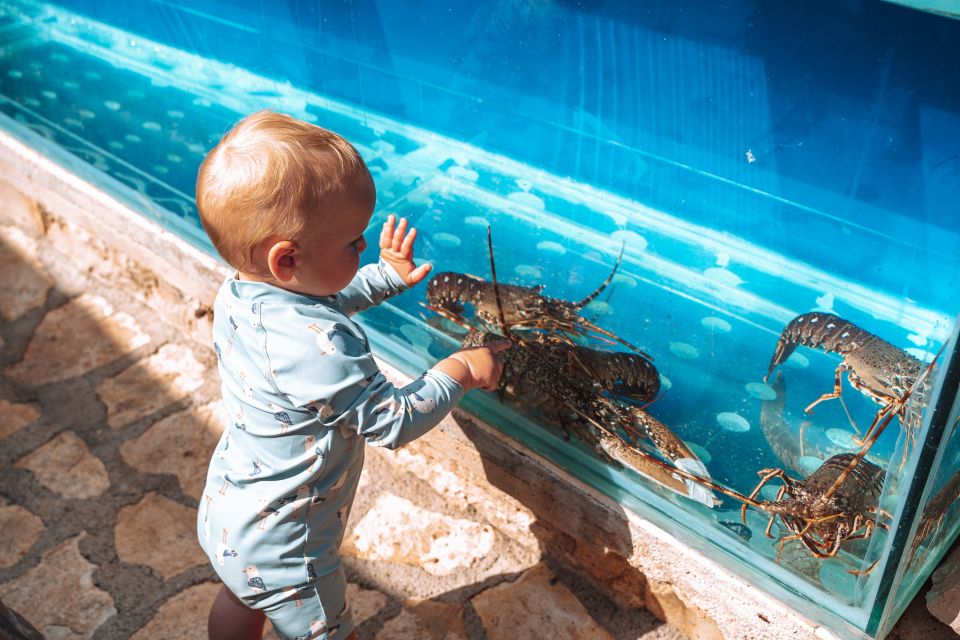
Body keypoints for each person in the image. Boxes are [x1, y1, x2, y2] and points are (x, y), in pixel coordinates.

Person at [194, 110, 508, 640]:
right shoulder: (323, 351)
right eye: (352, 243)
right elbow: (393, 421)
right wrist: (460, 370)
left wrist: (384, 275)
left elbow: (323, 303)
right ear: (286, 258)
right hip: (290, 548)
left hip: (233, 514)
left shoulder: (243, 294)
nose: (363, 247)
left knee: (241, 597)